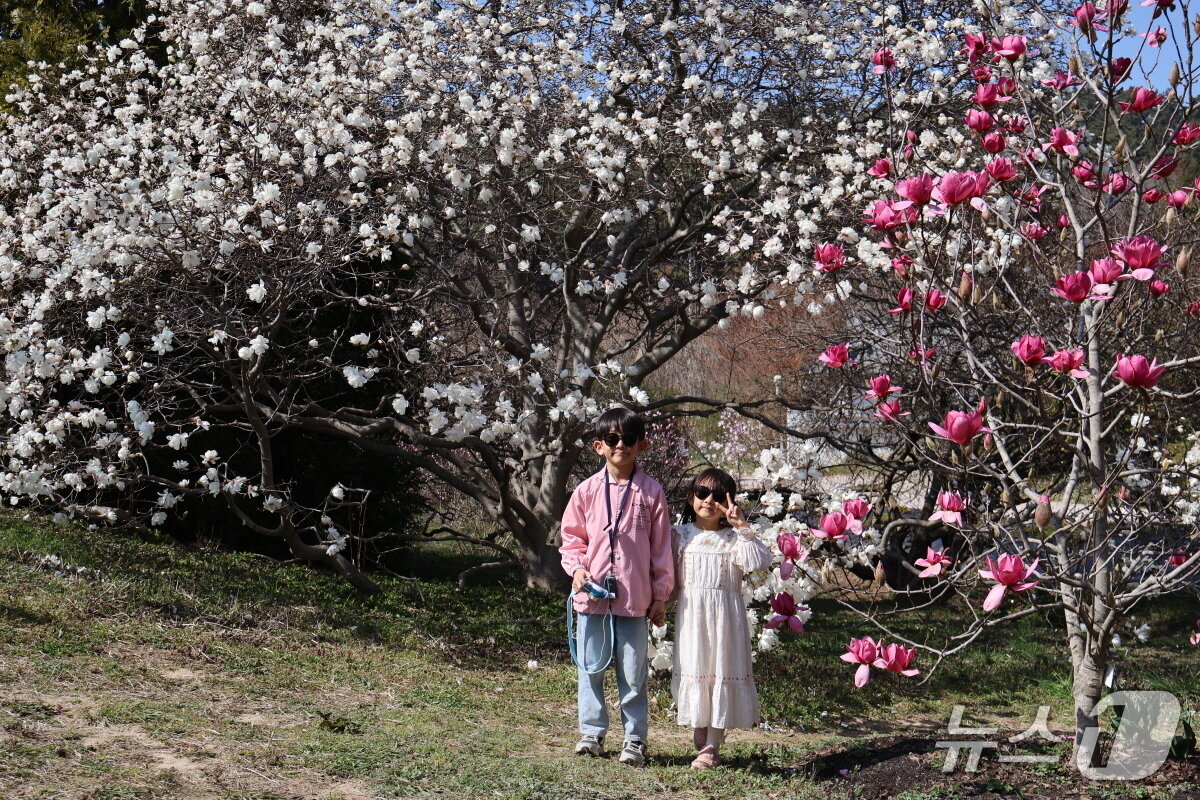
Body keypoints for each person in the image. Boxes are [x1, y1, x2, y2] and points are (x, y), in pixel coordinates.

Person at [559, 407, 674, 767]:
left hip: (634, 598)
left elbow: (661, 550)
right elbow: (571, 540)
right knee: (590, 667)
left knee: (633, 672)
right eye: (612, 439)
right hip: (591, 597)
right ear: (598, 446)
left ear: (642, 445)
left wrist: (660, 596)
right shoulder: (586, 491)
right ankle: (591, 732)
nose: (619, 445)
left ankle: (635, 739)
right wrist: (577, 571)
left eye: (627, 439)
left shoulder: (652, 492)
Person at [671, 467, 773, 769]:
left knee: (719, 670)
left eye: (718, 496)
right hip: (691, 617)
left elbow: (758, 563)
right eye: (702, 493)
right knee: (695, 666)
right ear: (691, 498)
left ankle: (712, 745)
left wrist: (743, 527)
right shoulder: (679, 536)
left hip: (725, 620)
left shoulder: (734, 538)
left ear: (729, 502)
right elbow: (665, 575)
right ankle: (700, 722)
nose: (708, 501)